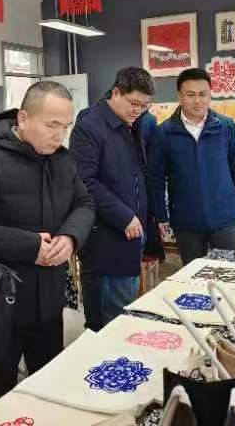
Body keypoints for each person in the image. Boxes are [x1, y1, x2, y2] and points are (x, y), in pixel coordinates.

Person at [0, 81, 95, 408]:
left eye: (66, 126)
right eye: (52, 125)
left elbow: (84, 204)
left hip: (48, 298)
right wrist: (30, 246)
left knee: (49, 385)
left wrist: (70, 237)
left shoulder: (63, 160)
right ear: (24, 119)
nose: (60, 135)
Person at [69, 67, 156, 331]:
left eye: (144, 105)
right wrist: (124, 215)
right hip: (106, 237)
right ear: (116, 92)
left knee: (123, 311)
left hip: (131, 234)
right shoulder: (90, 127)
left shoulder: (130, 123)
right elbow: (84, 181)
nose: (138, 110)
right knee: (110, 321)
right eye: (133, 103)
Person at [147, 67, 235, 266]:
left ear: (210, 95)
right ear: (180, 96)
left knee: (230, 273)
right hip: (187, 221)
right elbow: (155, 178)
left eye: (203, 94)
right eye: (190, 95)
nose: (197, 101)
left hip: (225, 219)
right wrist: (160, 215)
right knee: (193, 275)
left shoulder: (225, 127)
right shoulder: (164, 133)